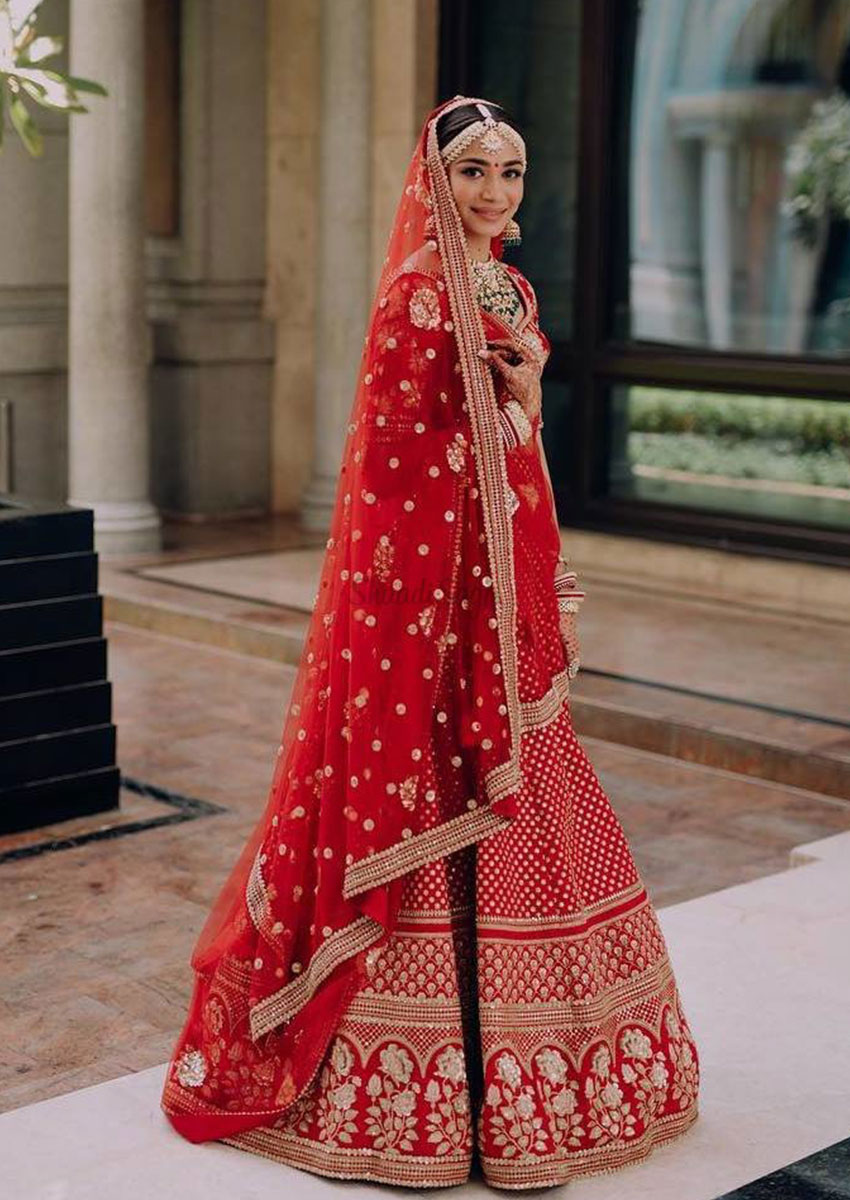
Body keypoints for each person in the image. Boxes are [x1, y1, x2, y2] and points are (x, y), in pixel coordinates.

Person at [160, 94, 700, 1189]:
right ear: (432, 180)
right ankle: (412, 1099)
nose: (492, 192)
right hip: (442, 617)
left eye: (508, 171)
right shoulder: (418, 295)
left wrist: (532, 459)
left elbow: (508, 448)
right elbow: (401, 481)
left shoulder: (507, 284)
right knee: (452, 799)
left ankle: (532, 1090)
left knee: (537, 801)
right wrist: (480, 572)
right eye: (469, 171)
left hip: (510, 593)